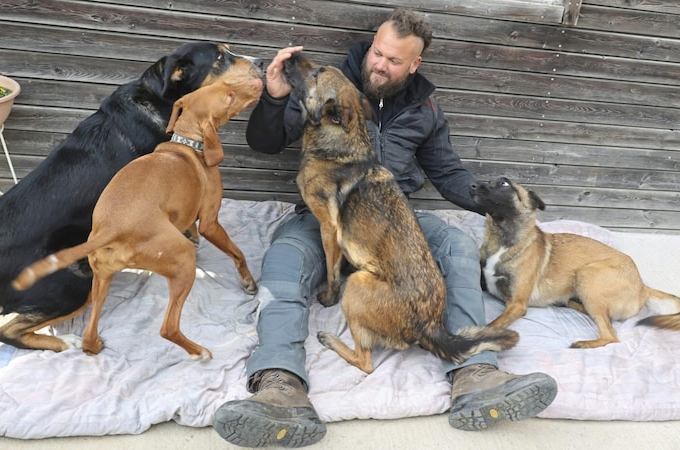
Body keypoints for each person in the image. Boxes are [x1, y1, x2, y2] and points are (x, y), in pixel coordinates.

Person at [213, 8, 557, 448]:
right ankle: (280, 384)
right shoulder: (330, 88)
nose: (380, 64)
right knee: (284, 260)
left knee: (453, 242)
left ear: (413, 64)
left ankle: (476, 372)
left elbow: (446, 171)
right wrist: (277, 97)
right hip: (323, 215)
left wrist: (492, 202)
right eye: (378, 53)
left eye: (394, 61)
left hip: (394, 216)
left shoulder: (425, 108)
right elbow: (264, 144)